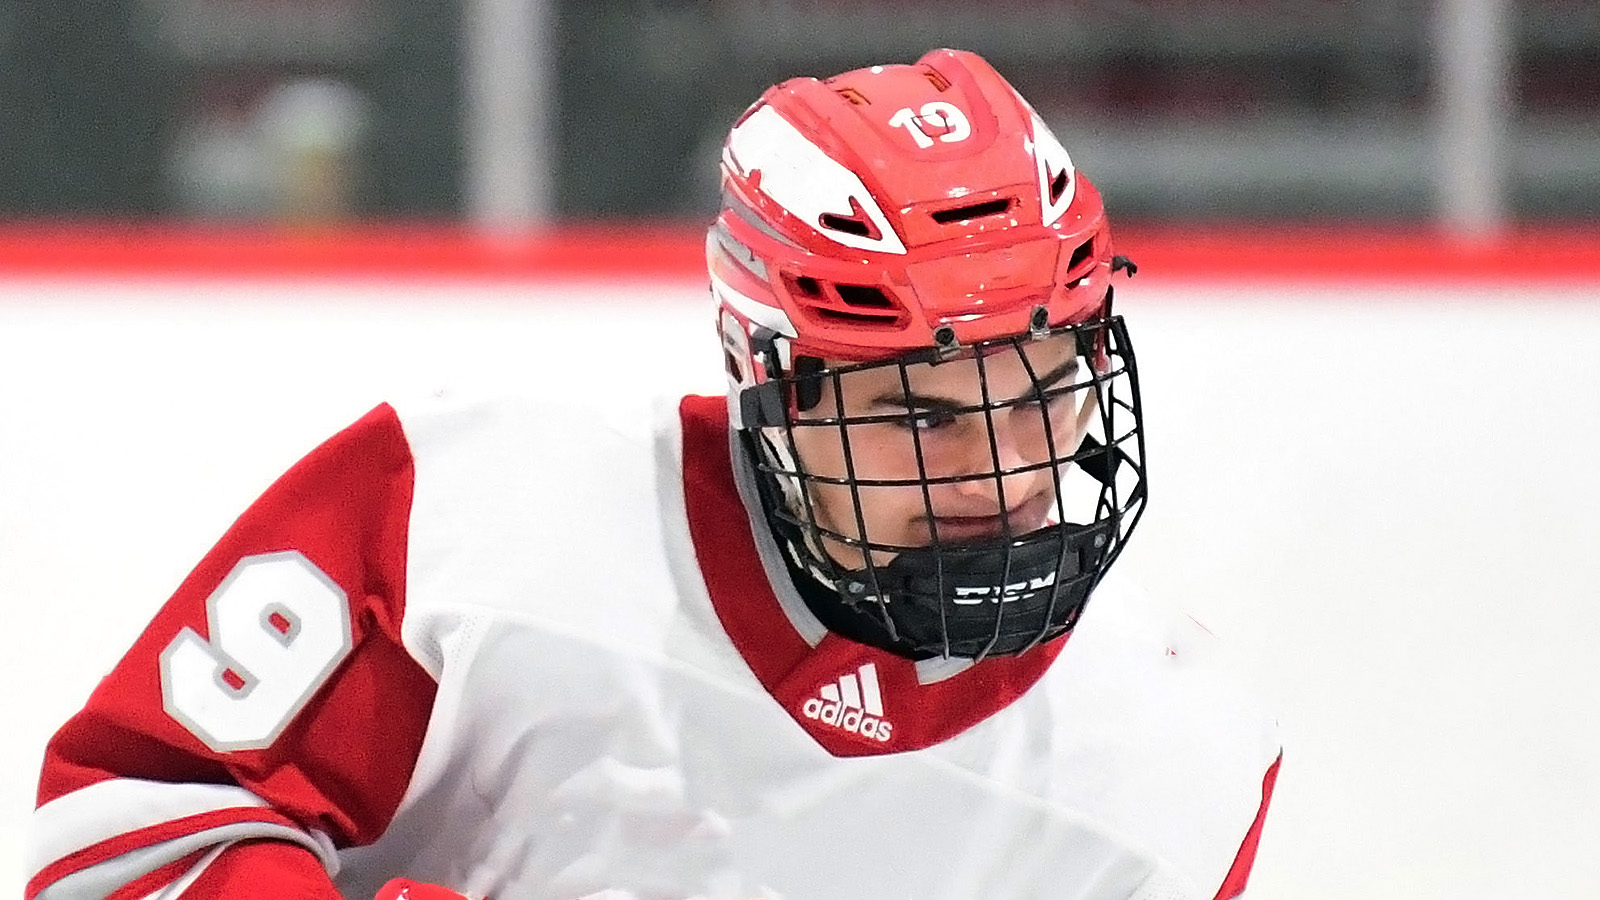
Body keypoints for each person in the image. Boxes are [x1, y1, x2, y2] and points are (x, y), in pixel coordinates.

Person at [28, 49, 1280, 900]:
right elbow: (118, 840)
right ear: (768, 381)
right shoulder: (465, 515)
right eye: (917, 412)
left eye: (1045, 391)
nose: (1003, 466)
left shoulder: (1176, 756)